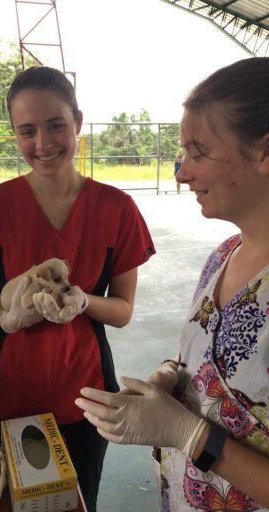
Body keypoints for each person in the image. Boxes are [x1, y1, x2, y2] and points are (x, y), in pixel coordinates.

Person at [0, 66, 156, 511]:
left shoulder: (117, 208)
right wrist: (7, 317)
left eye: (56, 126)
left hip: (85, 395)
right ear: (14, 134)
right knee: (7, 501)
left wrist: (83, 301)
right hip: (11, 392)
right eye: (27, 131)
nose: (42, 144)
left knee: (76, 504)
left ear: (77, 122)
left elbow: (121, 311)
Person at [75, 57, 269, 510]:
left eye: (198, 152)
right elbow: (205, 360)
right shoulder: (225, 255)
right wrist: (168, 378)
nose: (181, 173)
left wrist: (191, 434)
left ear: (263, 152)